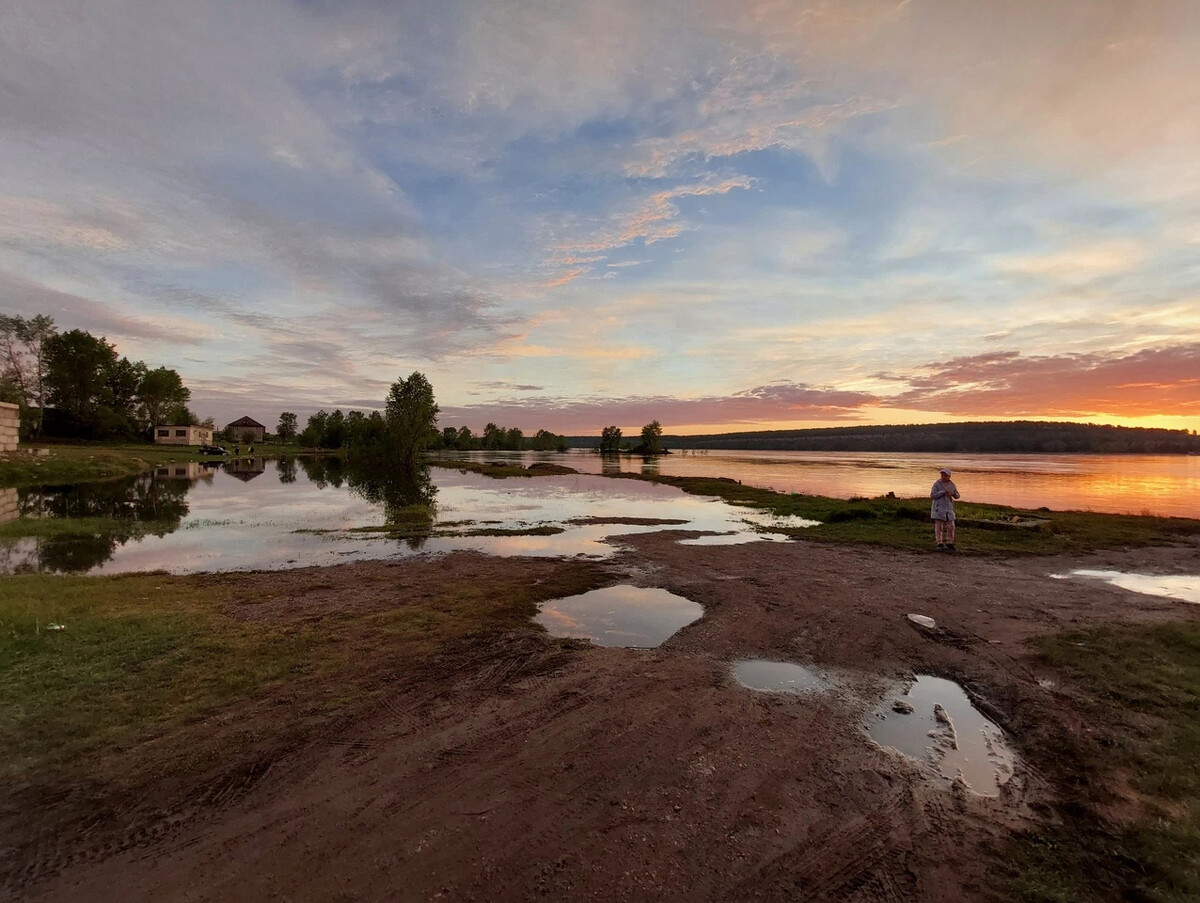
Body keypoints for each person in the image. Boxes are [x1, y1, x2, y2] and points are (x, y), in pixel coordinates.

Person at [930, 467, 960, 551]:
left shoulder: (952, 484)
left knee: (951, 526)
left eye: (945, 475)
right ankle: (939, 543)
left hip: (949, 509)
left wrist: (953, 494)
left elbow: (957, 496)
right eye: (942, 475)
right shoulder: (937, 484)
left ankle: (950, 542)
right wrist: (943, 491)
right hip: (939, 508)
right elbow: (933, 495)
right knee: (939, 527)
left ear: (949, 476)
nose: (943, 476)